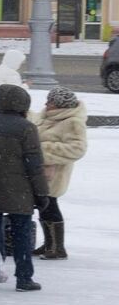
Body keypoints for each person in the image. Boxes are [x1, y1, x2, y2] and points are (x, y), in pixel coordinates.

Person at [0, 84, 50, 293]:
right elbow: (34, 164)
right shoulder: (26, 128)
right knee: (21, 233)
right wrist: (41, 193)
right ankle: (24, 278)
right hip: (19, 189)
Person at [32, 87, 87, 260]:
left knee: (50, 206)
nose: (46, 104)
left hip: (53, 173)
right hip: (39, 171)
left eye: (50, 102)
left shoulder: (72, 122)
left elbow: (78, 149)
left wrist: (44, 150)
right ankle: (50, 244)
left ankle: (57, 247)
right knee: (43, 206)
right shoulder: (45, 116)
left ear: (59, 106)